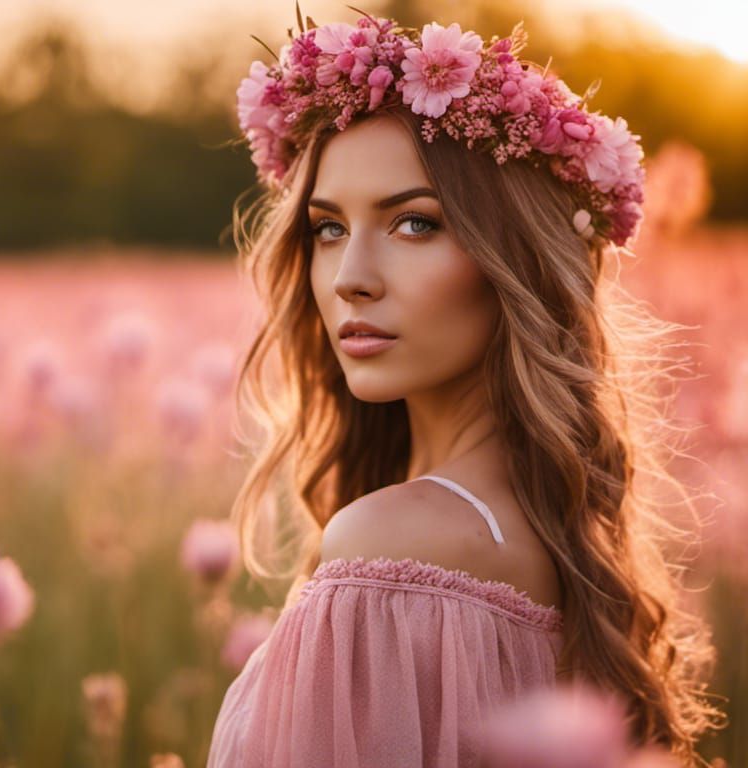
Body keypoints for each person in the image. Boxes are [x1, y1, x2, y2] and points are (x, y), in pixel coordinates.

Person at [208, 10, 726, 767]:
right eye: (327, 228)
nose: (350, 277)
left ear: (513, 260)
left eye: (414, 225)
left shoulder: (389, 548)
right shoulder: (552, 539)